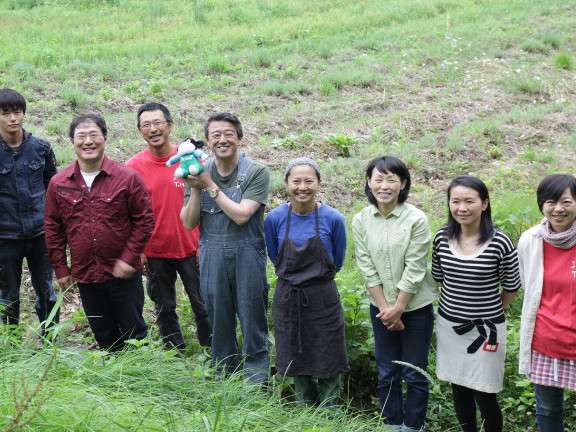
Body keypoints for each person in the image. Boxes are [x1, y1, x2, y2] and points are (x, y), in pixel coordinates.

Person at [45, 113, 154, 351]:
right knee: (104, 335)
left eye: (94, 135)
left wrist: (128, 258)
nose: (88, 141)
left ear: (104, 138)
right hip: (86, 275)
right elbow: (53, 229)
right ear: (72, 142)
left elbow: (144, 221)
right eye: (81, 136)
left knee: (134, 333)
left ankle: (139, 381)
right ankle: (112, 383)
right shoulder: (59, 183)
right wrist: (61, 269)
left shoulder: (127, 178)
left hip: (123, 274)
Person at [180, 112, 270, 383]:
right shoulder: (197, 169)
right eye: (215, 135)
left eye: (228, 134)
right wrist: (196, 188)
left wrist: (208, 185)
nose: (222, 140)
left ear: (239, 138)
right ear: (208, 142)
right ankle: (225, 383)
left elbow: (242, 215)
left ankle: (256, 386)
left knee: (252, 320)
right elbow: (188, 222)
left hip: (247, 253)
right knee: (219, 322)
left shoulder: (256, 172)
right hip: (212, 254)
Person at [352, 156, 435, 432]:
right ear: (368, 182)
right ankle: (391, 425)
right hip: (381, 307)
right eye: (378, 179)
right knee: (387, 372)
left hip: (416, 309)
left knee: (414, 373)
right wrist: (385, 309)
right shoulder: (361, 220)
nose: (384, 185)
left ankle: (413, 427)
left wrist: (398, 308)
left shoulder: (416, 219)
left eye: (391, 179)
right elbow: (367, 268)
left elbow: (416, 266)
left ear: (403, 184)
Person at [431, 176, 520, 432]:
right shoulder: (441, 238)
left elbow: (512, 286)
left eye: (469, 201)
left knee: (485, 393)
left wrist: (490, 312)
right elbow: (439, 278)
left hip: (487, 332)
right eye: (455, 201)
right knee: (458, 389)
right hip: (450, 328)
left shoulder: (500, 242)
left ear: (484, 203)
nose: (462, 208)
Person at [126, 102, 211, 350]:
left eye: (158, 123)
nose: (153, 129)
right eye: (146, 125)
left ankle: (212, 350)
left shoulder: (188, 158)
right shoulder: (133, 168)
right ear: (140, 130)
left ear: (170, 125)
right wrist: (138, 250)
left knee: (203, 303)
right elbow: (130, 213)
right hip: (155, 252)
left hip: (193, 248)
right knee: (164, 307)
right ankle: (174, 354)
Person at [264, 157, 348, 405]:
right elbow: (274, 256)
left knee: (329, 355)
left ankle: (330, 412)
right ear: (287, 184)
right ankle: (305, 411)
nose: (302, 187)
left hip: (323, 298)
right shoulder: (274, 219)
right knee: (293, 354)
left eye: (309, 181)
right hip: (288, 297)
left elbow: (338, 260)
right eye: (296, 181)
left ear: (319, 183)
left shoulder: (334, 219)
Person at [518, 174, 576, 432]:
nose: (558, 208)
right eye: (551, 201)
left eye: (566, 201)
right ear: (541, 204)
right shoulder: (530, 240)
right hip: (545, 339)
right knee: (548, 409)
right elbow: (528, 288)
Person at [0, 88, 59, 332]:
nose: (13, 118)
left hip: (39, 234)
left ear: (24, 114)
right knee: (7, 296)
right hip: (5, 238)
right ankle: (10, 347)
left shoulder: (41, 148)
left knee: (46, 291)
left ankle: (49, 343)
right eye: (6, 113)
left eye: (17, 112)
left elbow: (53, 188)